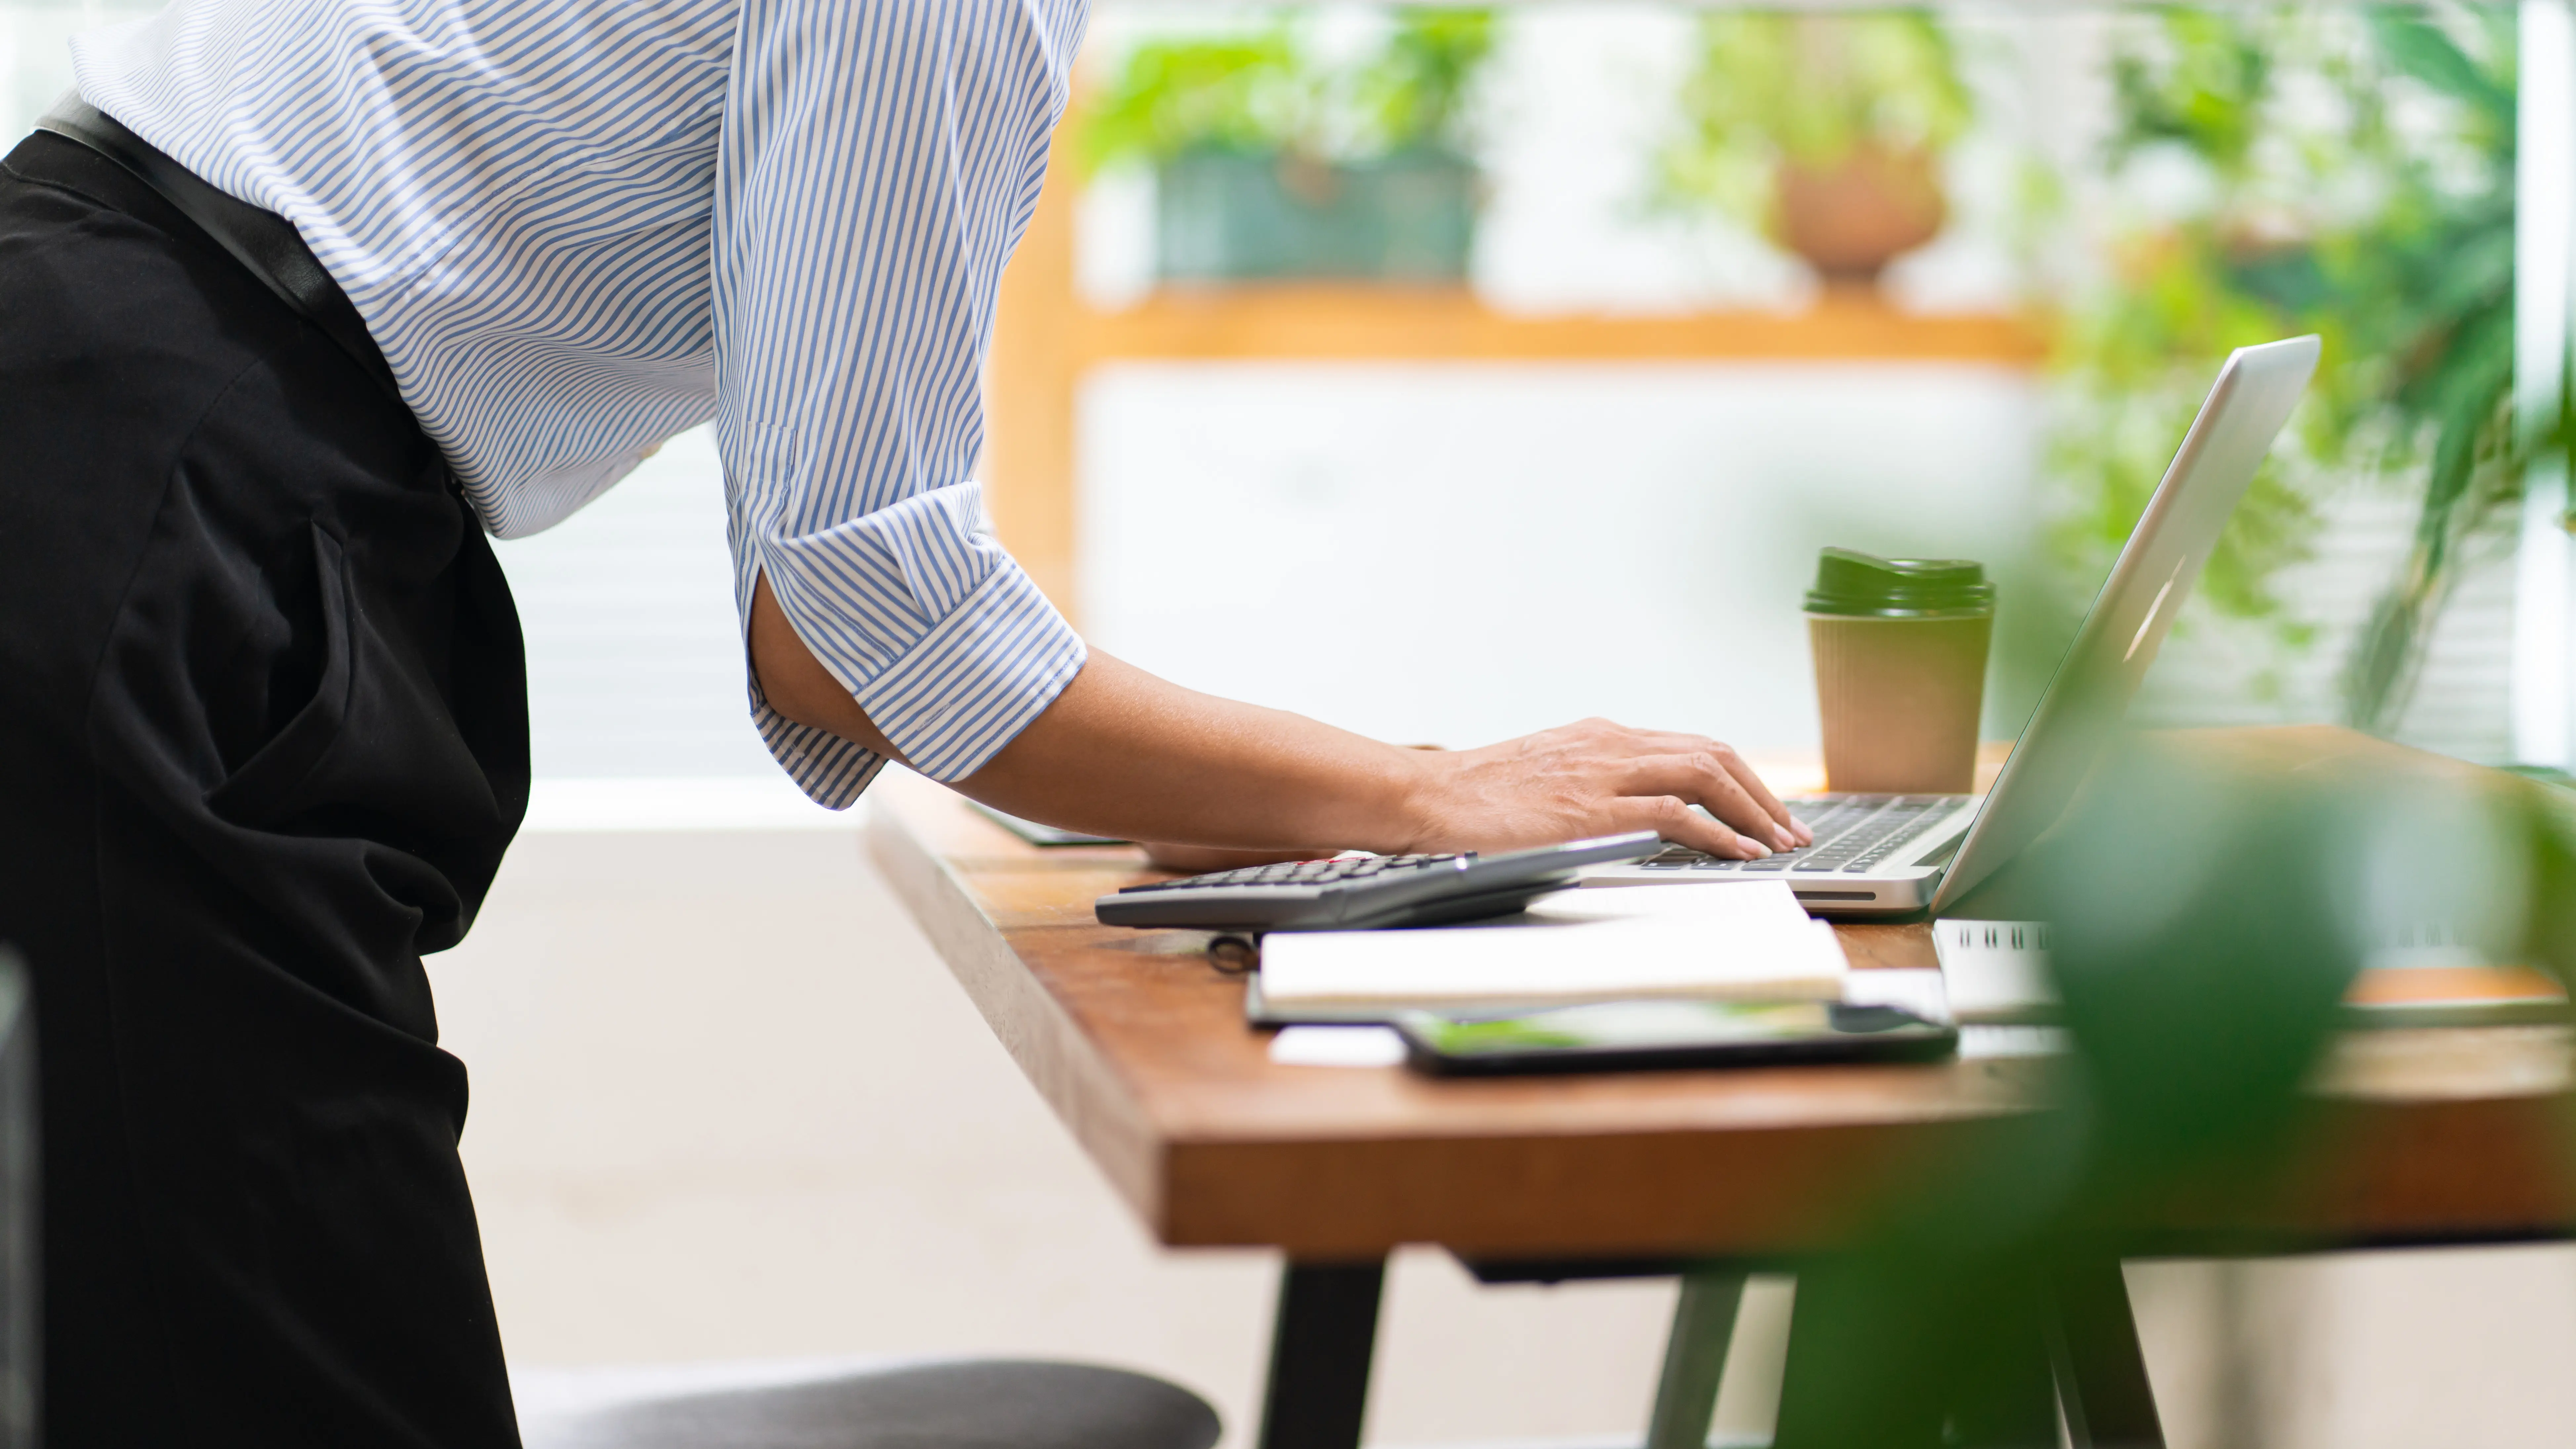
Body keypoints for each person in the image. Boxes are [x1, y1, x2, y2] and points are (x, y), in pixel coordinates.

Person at [0, 0, 1811, 1443]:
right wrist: (1431, 793)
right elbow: (860, 614)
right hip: (140, 486)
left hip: (117, 402)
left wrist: (1244, 790)